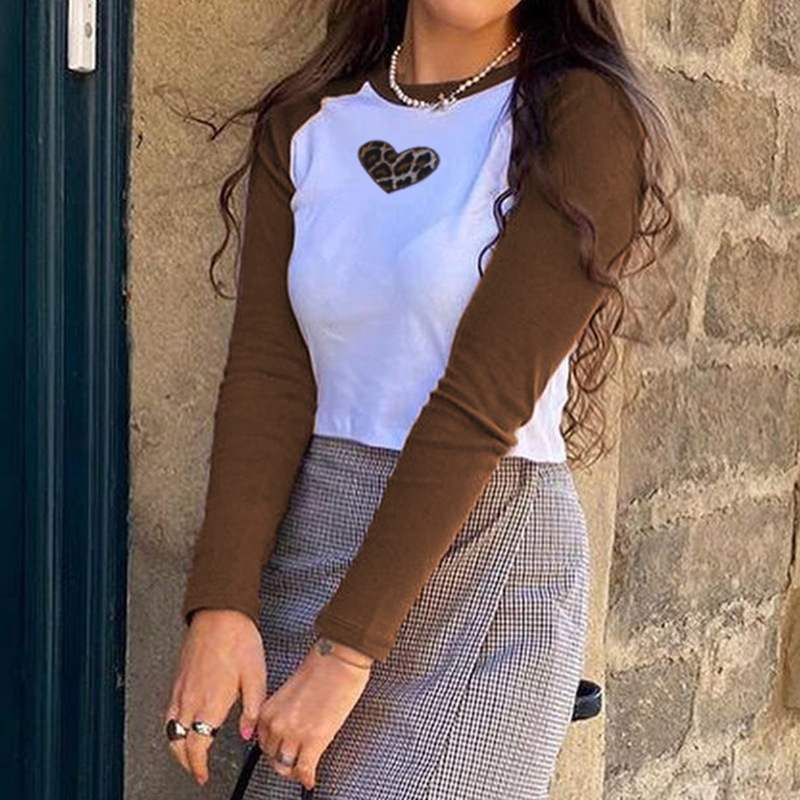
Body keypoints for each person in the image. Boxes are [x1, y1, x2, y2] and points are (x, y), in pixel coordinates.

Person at [163, 1, 682, 797]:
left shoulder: (581, 116)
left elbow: (482, 401)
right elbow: (269, 374)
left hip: (484, 548)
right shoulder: (309, 121)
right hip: (316, 537)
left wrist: (346, 651)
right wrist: (222, 604)